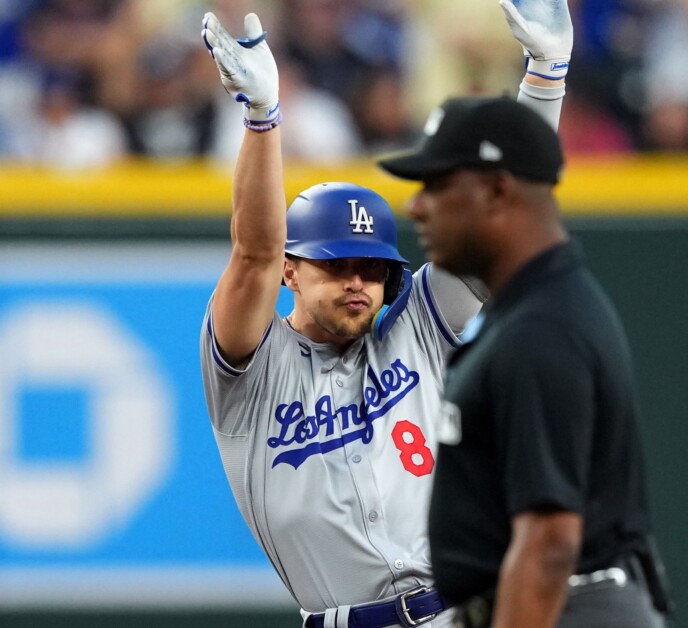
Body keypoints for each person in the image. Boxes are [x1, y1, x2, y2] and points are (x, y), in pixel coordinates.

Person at [197, 1, 571, 626]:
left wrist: (545, 78)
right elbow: (254, 251)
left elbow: (500, 221)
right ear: (293, 270)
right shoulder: (249, 374)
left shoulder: (418, 329)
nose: (358, 282)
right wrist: (263, 120)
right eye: (337, 265)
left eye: (373, 269)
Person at [377, 63, 673, 628]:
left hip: (572, 608)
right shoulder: (536, 310)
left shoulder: (542, 331)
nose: (417, 206)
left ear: (495, 191)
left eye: (437, 185)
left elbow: (549, 544)